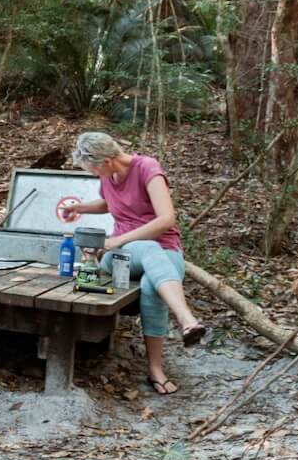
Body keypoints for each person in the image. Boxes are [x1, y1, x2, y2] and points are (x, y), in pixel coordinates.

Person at [59, 132, 207, 395]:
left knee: (152, 285)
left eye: (93, 169)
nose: (94, 175)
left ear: (106, 160)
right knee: (149, 249)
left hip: (165, 248)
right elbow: (109, 203)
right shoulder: (107, 176)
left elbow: (166, 219)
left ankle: (155, 369)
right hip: (120, 256)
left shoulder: (147, 168)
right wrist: (80, 208)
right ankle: (186, 318)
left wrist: (119, 239)